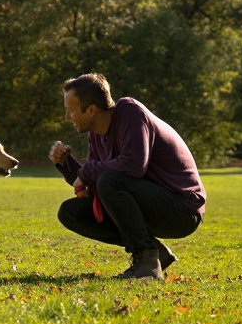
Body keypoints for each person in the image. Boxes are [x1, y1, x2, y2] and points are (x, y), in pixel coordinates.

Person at [49, 73, 206, 280]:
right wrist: (66, 164)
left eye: (70, 110)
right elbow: (94, 184)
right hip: (151, 203)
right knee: (71, 212)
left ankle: (147, 264)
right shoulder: (95, 133)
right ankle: (156, 252)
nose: (67, 117)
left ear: (92, 110)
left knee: (109, 180)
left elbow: (133, 166)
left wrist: (89, 172)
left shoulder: (130, 112)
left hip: (183, 210)